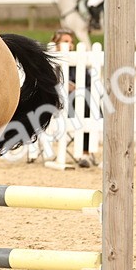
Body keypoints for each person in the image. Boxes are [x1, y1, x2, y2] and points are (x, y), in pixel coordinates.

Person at [52, 29, 95, 167]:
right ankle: (86, 152)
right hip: (58, 104)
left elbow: (89, 83)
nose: (70, 45)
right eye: (66, 41)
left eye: (71, 42)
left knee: (87, 104)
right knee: (85, 104)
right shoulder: (52, 61)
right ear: (56, 44)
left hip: (80, 101)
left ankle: (86, 152)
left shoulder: (78, 60)